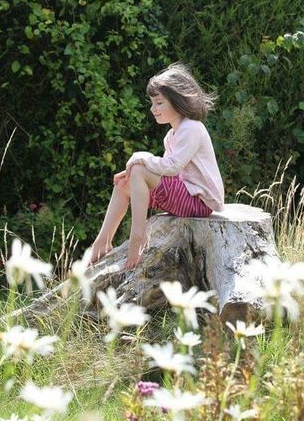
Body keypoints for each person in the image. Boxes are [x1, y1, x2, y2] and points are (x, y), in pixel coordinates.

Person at [89, 62, 225, 270]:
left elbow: (172, 167)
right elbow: (162, 170)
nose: (153, 109)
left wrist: (140, 158)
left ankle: (138, 235)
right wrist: (132, 170)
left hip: (199, 201)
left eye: (159, 103)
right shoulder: (172, 135)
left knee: (139, 170)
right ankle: (102, 241)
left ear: (178, 101)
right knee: (124, 183)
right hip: (185, 194)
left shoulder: (192, 128)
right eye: (152, 103)